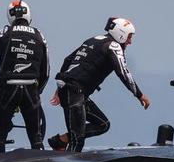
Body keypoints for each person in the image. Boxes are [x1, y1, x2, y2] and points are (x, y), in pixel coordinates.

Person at [47, 17, 151, 152]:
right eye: (129, 37)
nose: (130, 42)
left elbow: (67, 60)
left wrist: (59, 89)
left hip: (71, 91)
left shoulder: (93, 39)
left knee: (102, 125)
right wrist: (140, 95)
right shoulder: (113, 46)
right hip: (74, 92)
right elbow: (123, 73)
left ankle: (60, 141)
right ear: (121, 34)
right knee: (77, 140)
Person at [0, 0, 49, 152]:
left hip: (8, 89)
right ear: (29, 14)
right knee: (36, 138)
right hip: (31, 89)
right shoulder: (40, 35)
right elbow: (46, 72)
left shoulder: (3, 32)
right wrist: (37, 91)